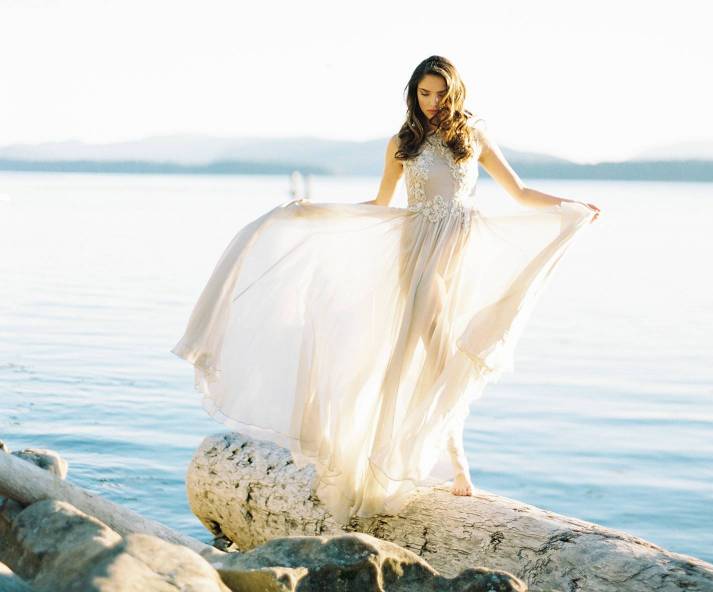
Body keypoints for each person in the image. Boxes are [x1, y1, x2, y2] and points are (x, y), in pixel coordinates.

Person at [171, 55, 601, 524]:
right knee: (432, 354)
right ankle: (454, 459)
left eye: (440, 94)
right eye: (424, 93)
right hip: (414, 256)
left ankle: (431, 452)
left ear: (454, 93)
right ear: (413, 94)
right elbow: (380, 203)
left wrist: (571, 205)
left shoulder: (472, 137)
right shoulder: (402, 142)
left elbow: (518, 193)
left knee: (441, 355)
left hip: (459, 256)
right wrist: (317, 211)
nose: (432, 102)